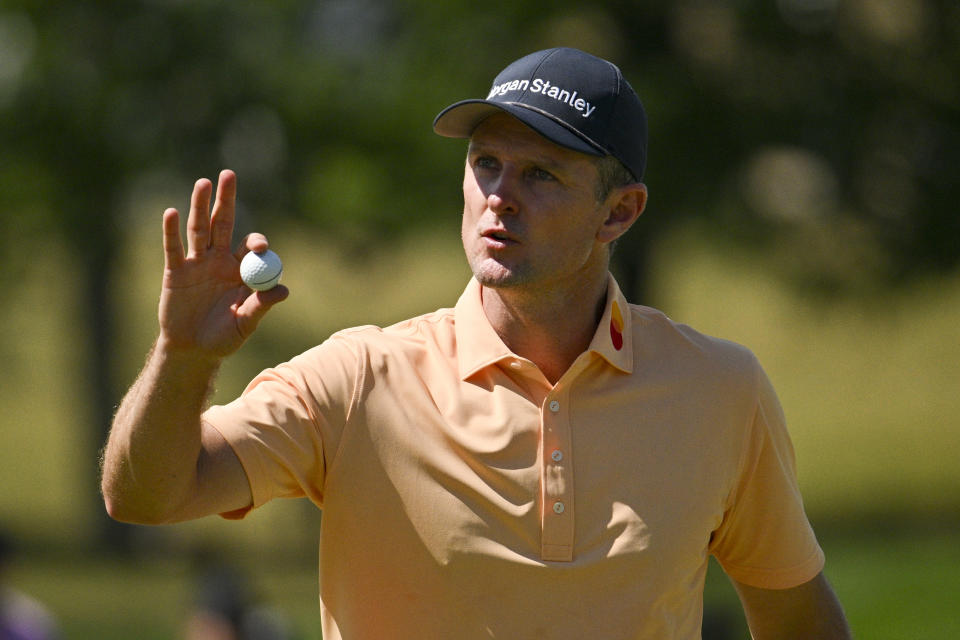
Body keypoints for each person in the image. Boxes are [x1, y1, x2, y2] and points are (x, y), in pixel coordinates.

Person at [101, 47, 851, 639]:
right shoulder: (361, 378)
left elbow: (797, 620)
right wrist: (182, 360)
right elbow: (144, 496)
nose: (499, 195)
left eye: (541, 175)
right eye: (485, 163)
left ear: (617, 213)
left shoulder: (719, 389)